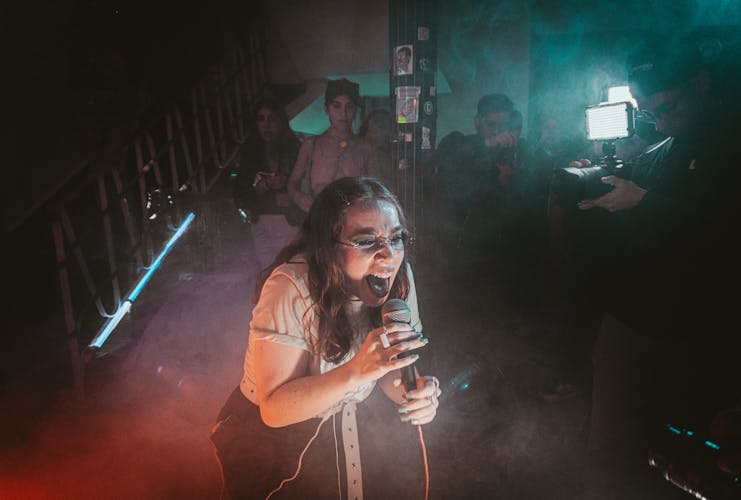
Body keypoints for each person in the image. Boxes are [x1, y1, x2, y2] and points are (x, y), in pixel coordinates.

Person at [572, 36, 741, 498]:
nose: (662, 120)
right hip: (631, 319)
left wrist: (645, 202)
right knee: (611, 445)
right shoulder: (663, 144)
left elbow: (727, 230)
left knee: (684, 457)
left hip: (694, 329)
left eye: (668, 107)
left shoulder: (735, 139)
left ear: (700, 83)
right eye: (649, 112)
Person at [212, 177, 441, 499]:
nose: (388, 257)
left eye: (396, 238)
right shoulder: (291, 285)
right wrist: (357, 371)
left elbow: (390, 373)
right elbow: (275, 409)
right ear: (329, 246)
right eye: (366, 241)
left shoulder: (399, 277)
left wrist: (413, 394)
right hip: (268, 437)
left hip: (338, 418)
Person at [430, 93, 519, 281]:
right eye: (491, 124)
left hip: (498, 249)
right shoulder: (458, 143)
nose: (497, 131)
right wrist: (488, 144)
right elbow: (446, 163)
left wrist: (506, 179)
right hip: (460, 245)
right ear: (477, 121)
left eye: (502, 126)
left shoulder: (513, 151)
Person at [287, 79, 378, 214]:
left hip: (354, 220)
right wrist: (301, 199)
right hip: (321, 219)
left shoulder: (365, 148)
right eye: (337, 106)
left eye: (349, 106)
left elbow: (377, 189)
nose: (343, 113)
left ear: (355, 110)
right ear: (327, 109)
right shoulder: (311, 145)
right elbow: (292, 183)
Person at [233, 98, 303, 270]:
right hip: (261, 223)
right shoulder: (250, 152)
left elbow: (309, 187)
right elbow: (240, 194)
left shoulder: (294, 149)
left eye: (271, 119)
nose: (266, 125)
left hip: (288, 223)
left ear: (280, 121)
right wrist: (257, 190)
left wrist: (290, 194)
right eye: (261, 119)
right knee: (267, 275)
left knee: (287, 272)